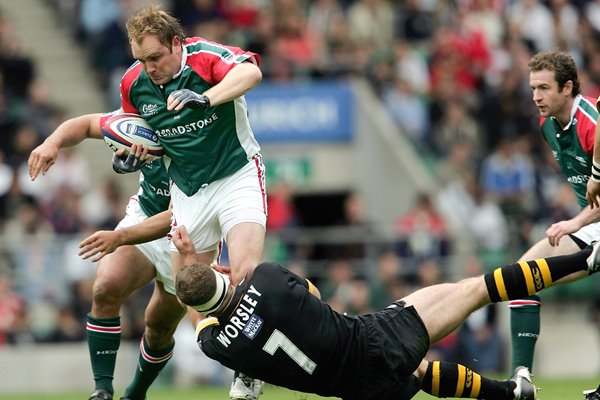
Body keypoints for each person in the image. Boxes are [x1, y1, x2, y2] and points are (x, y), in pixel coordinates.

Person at [173, 225, 600, 400]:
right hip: (373, 338)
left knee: (415, 375)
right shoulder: (264, 278)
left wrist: (183, 264)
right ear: (222, 271)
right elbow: (314, 293)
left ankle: (510, 394)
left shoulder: (216, 344)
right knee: (478, 288)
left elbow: (199, 316)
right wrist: (190, 255)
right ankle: (588, 260)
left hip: (362, 392)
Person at [118, 6, 267, 398]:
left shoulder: (205, 56)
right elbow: (137, 132)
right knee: (191, 289)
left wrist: (207, 98)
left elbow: (251, 72)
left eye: (155, 57)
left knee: (246, 272)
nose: (149, 68)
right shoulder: (133, 83)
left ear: (176, 43)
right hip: (187, 191)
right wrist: (129, 154)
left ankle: (247, 369)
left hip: (237, 176)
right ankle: (231, 351)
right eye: (141, 59)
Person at [27, 112, 191, 400]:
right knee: (106, 285)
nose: (151, 72)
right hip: (145, 212)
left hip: (187, 233)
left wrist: (119, 237)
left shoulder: (200, 132)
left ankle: (136, 393)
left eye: (155, 62)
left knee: (158, 327)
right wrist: (52, 143)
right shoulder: (146, 104)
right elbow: (87, 124)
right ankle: (102, 389)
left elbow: (183, 214)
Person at [508, 50, 600, 382]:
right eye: (533, 88)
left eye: (544, 88)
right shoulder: (547, 125)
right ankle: (521, 378)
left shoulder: (592, 122)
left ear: (567, 87)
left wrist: (574, 222)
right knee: (520, 277)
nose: (536, 97)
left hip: (587, 224)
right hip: (593, 227)